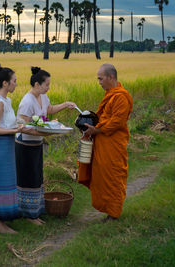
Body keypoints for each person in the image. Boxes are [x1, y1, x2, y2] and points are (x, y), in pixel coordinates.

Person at [15, 67, 76, 225]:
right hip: (25, 144)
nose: (48, 87)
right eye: (46, 84)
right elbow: (23, 126)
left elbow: (48, 110)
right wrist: (46, 133)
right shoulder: (26, 102)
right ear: (37, 84)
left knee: (37, 177)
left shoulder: (43, 96)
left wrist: (65, 104)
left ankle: (35, 211)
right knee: (28, 178)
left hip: (36, 143)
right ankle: (28, 215)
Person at [78, 64, 133, 222]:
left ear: (111, 77)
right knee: (103, 177)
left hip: (113, 145)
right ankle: (108, 210)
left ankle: (114, 213)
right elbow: (104, 119)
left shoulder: (121, 96)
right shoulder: (111, 94)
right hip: (103, 142)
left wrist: (95, 130)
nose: (99, 82)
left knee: (113, 176)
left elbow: (117, 122)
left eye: (101, 79)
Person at [0, 63, 24, 234]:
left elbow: (7, 124)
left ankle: (4, 220)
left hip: (8, 144)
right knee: (1, 183)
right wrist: (15, 130)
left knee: (8, 182)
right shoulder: (0, 103)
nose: (16, 84)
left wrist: (19, 126)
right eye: (14, 81)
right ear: (5, 83)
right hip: (1, 146)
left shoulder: (7, 101)